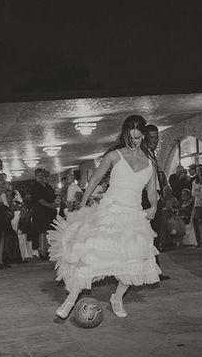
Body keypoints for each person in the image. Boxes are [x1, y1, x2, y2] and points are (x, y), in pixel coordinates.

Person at [48, 115, 161, 319]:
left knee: (132, 261)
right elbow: (94, 180)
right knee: (90, 257)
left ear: (142, 136)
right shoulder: (114, 155)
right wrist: (82, 206)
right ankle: (70, 301)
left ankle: (117, 298)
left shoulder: (150, 162)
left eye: (137, 137)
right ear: (125, 135)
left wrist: (154, 206)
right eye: (130, 137)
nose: (134, 141)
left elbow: (152, 190)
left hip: (134, 215)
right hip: (109, 212)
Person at [142, 124, 170, 279]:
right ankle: (149, 272)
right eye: (151, 137)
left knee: (155, 236)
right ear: (145, 138)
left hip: (156, 197)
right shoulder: (143, 155)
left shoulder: (152, 154)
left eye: (156, 137)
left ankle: (155, 270)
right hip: (146, 199)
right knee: (148, 236)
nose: (155, 140)